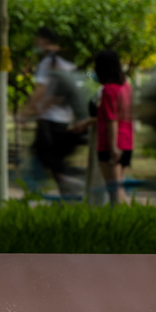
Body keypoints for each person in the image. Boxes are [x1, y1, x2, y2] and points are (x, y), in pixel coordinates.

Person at [18, 27, 88, 195]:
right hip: (67, 119)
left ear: (45, 40)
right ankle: (66, 189)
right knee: (53, 156)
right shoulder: (68, 65)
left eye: (37, 39)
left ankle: (67, 183)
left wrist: (25, 113)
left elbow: (41, 91)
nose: (36, 43)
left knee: (43, 154)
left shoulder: (48, 63)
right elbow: (57, 96)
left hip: (51, 120)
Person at [85, 49, 133, 206]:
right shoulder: (126, 87)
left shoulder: (108, 90)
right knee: (119, 190)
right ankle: (134, 218)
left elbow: (112, 120)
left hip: (110, 146)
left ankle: (122, 221)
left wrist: (113, 147)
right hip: (126, 143)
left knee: (115, 194)